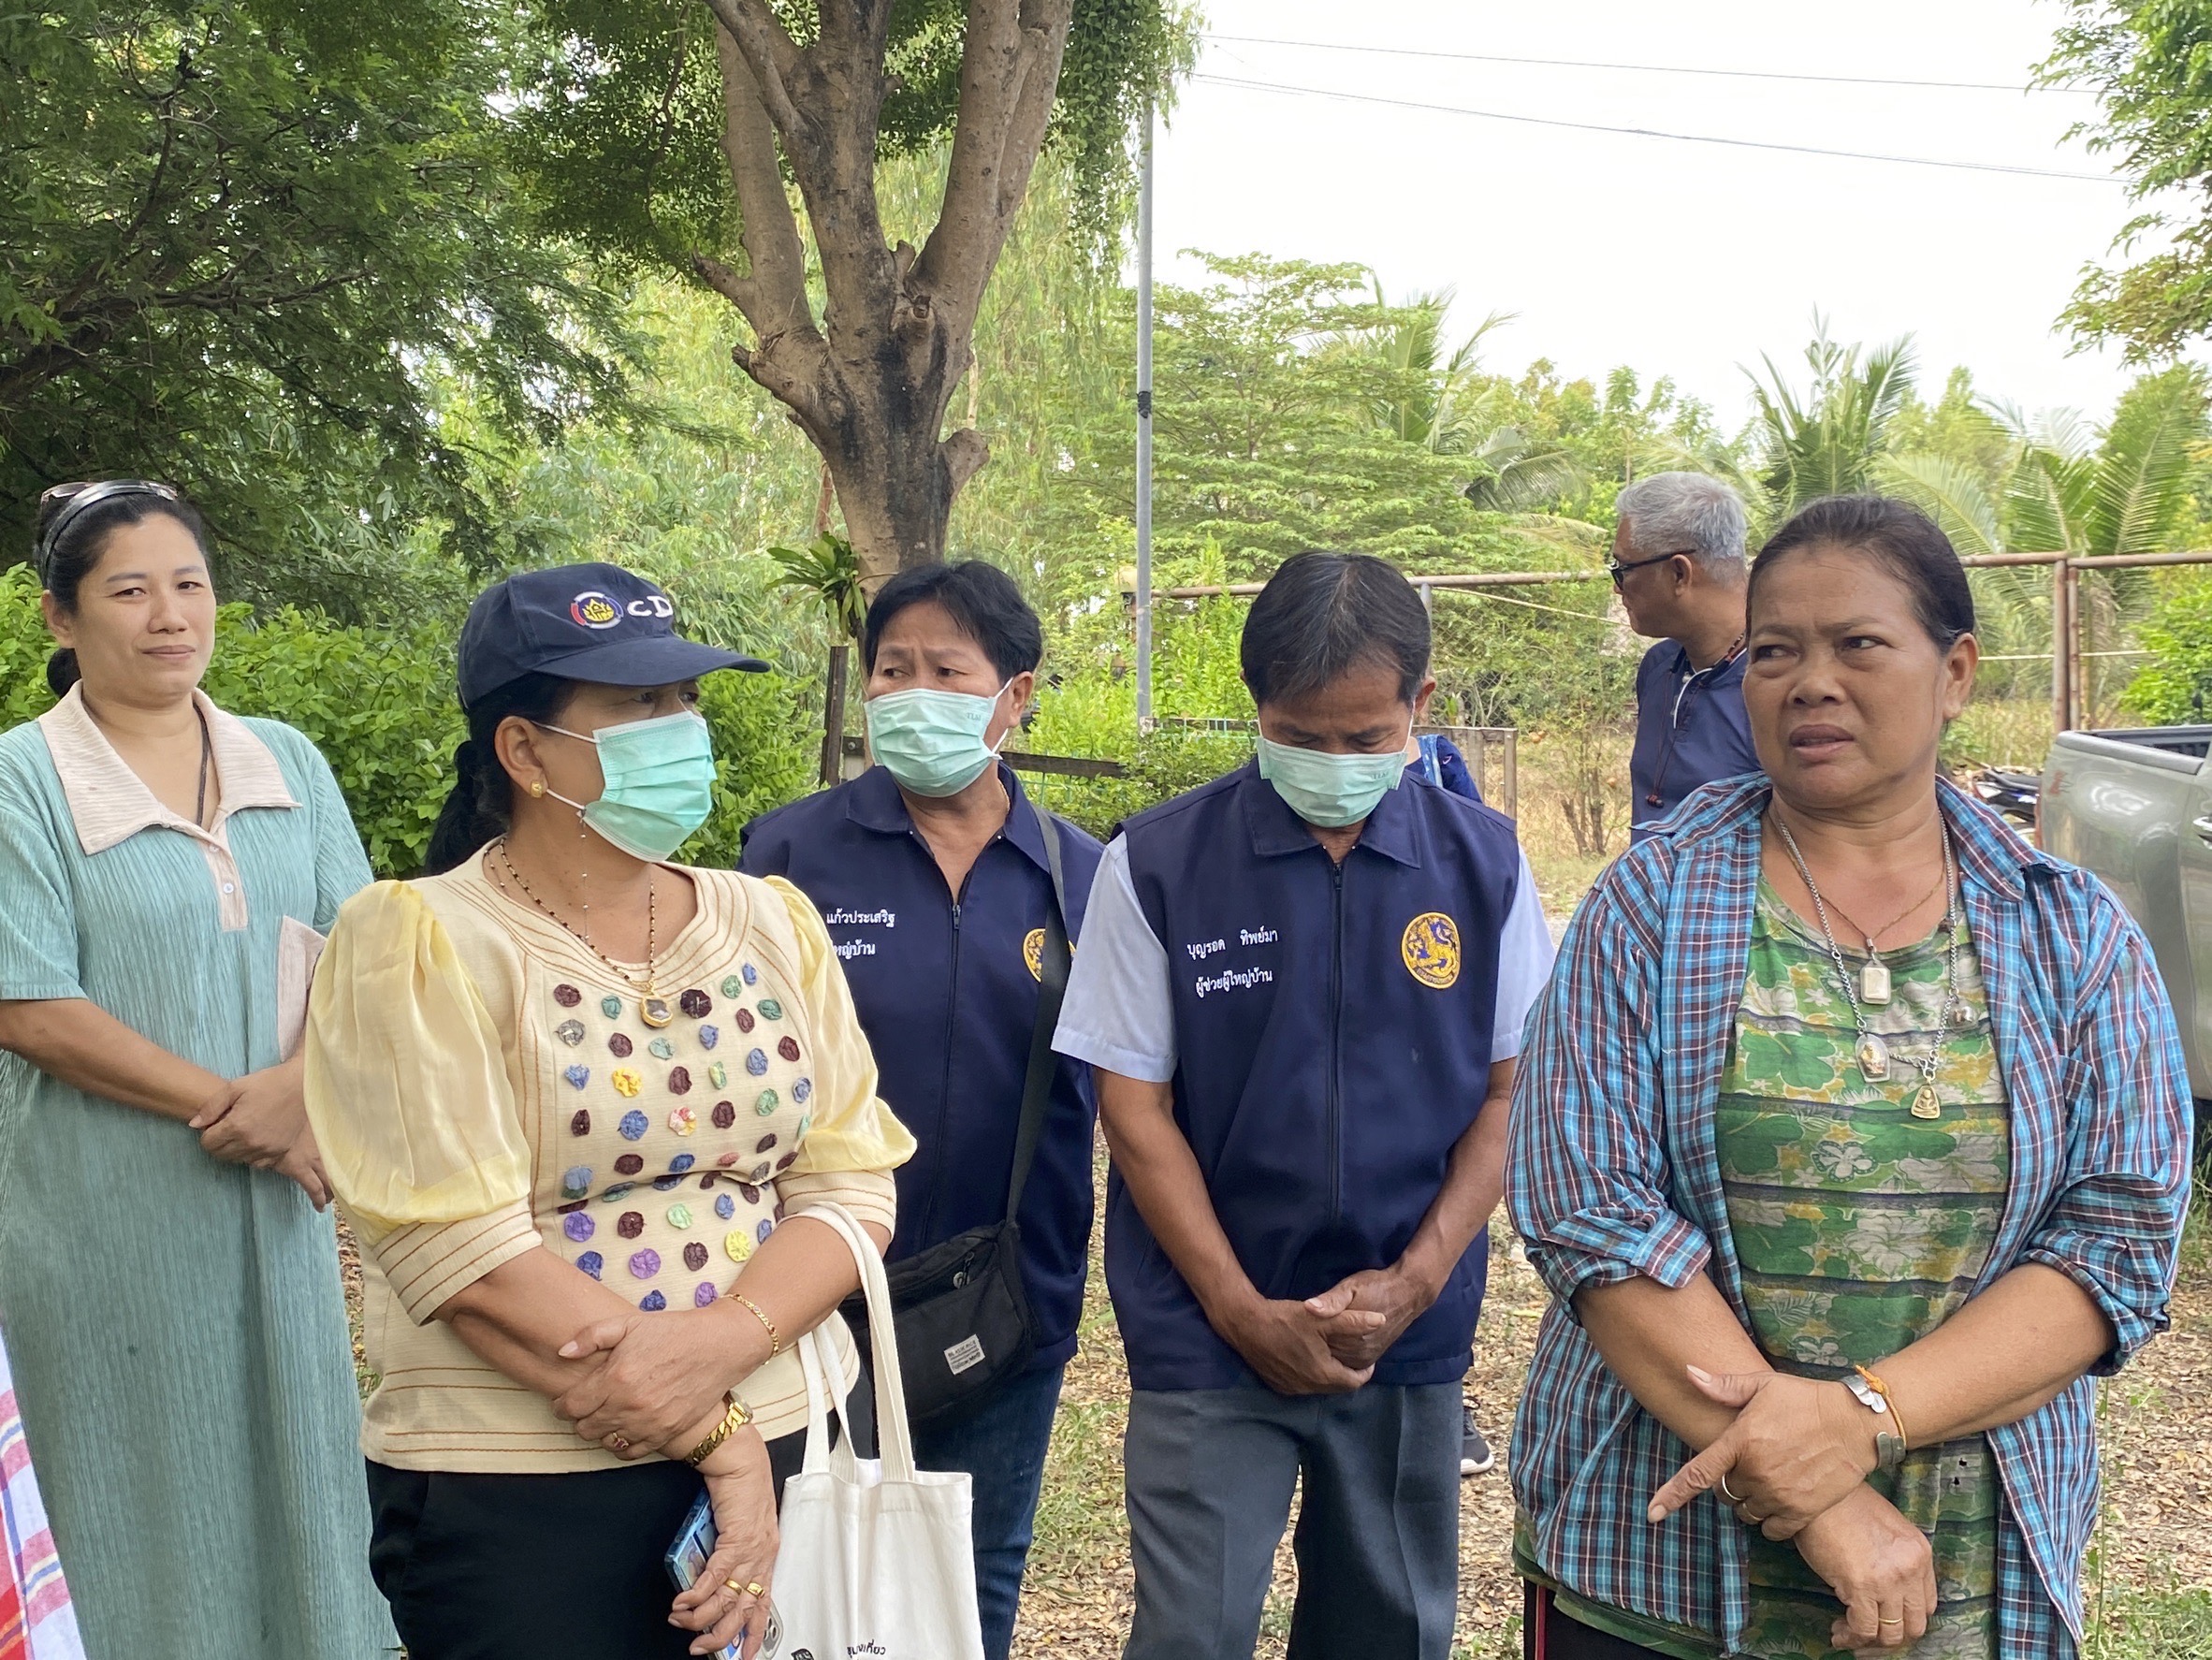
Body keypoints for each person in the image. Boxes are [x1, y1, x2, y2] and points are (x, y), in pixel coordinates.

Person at [1507, 496, 2193, 1660]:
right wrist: (1819, 1492)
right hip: (1656, 1565)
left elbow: (2117, 1239)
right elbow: (1593, 1214)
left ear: (1957, 671)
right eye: (1775, 651)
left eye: (1858, 644)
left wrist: (1863, 1418)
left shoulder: (2069, 929)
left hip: (1968, 1570)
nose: (1808, 682)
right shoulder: (1649, 906)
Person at [301, 563, 917, 1660]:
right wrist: (715, 1438)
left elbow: (847, 1179)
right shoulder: (418, 940)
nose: (677, 728)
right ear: (525, 752)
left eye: (683, 700)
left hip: (800, 1441)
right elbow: (462, 1247)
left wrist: (728, 1344)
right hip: (522, 1489)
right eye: (635, 706)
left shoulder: (769, 921)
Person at [1054, 550, 1556, 1660]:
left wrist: (1418, 1280)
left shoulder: (1486, 866)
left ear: (1421, 709)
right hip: (1209, 1333)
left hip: (1402, 1334)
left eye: (1366, 739)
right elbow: (1134, 1113)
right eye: (1302, 736)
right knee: (1194, 1630)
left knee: (1388, 1624)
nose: (1333, 762)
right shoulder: (1161, 862)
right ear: (1257, 711)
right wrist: (1240, 1311)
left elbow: (1508, 1093)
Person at [0, 480, 390, 1659]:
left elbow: (365, 955)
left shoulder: (289, 761)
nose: (170, 615)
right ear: (63, 619)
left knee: (290, 1456)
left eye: (190, 584)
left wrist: (293, 1093)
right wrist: (234, 1104)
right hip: (96, 1206)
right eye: (130, 590)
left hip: (274, 1204)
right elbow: (28, 1003)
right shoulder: (22, 777)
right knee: (120, 1474)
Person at [739, 560, 1102, 1660]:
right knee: (801, 1575)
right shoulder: (787, 855)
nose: (913, 691)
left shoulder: (1078, 874)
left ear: (1017, 694)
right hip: (810, 1293)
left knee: (974, 1576)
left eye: (948, 668)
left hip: (1006, 1293)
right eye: (893, 668)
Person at [1615, 472, 1760, 838]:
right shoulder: (1658, 667)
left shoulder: (1778, 684)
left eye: (1623, 570)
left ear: (1679, 572)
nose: (1618, 589)